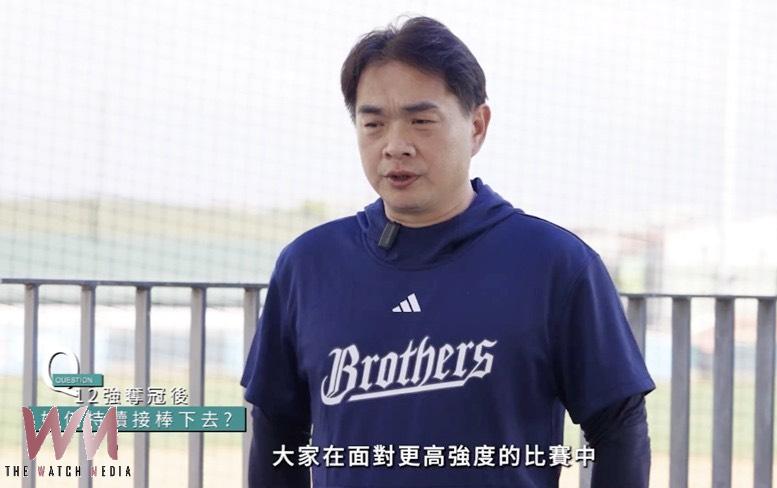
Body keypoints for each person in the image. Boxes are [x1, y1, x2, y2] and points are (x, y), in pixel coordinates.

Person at [241, 15, 655, 488]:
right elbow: (277, 429)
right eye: (373, 123)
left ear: (477, 126)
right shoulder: (308, 265)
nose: (395, 146)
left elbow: (618, 424)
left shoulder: (556, 265)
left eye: (421, 121)